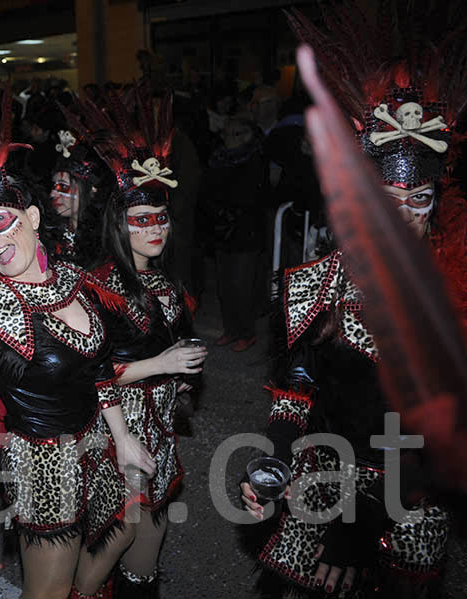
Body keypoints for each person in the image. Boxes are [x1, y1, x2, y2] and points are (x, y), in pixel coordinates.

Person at [239, 5, 463, 596]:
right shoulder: (320, 282)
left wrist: (363, 526)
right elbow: (295, 394)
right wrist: (275, 462)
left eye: (417, 200)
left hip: (412, 502)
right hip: (325, 482)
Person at [0, 84, 152, 599]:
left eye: (1, 223)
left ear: (34, 220)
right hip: (44, 470)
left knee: (125, 531)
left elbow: (101, 369)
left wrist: (125, 438)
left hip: (96, 445)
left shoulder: (72, 280)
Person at [71, 83, 207, 597]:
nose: (155, 229)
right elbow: (88, 373)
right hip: (114, 425)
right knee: (120, 528)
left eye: (161, 218)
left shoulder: (169, 283)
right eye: (141, 220)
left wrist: (182, 382)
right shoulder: (98, 286)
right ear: (119, 226)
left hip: (160, 423)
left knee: (153, 530)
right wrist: (162, 364)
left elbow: (176, 349)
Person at [201, 115, 267, 352]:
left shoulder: (254, 160)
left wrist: (230, 212)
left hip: (245, 233)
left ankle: (245, 332)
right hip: (222, 231)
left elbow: (253, 198)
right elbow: (207, 189)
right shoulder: (218, 159)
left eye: (235, 134)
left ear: (247, 136)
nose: (228, 139)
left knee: (242, 285)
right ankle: (231, 329)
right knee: (224, 285)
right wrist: (216, 213)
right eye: (226, 134)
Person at [47, 126, 106, 264]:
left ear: (91, 190)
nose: (52, 193)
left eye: (63, 186)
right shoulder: (52, 232)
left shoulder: (106, 238)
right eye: (54, 186)